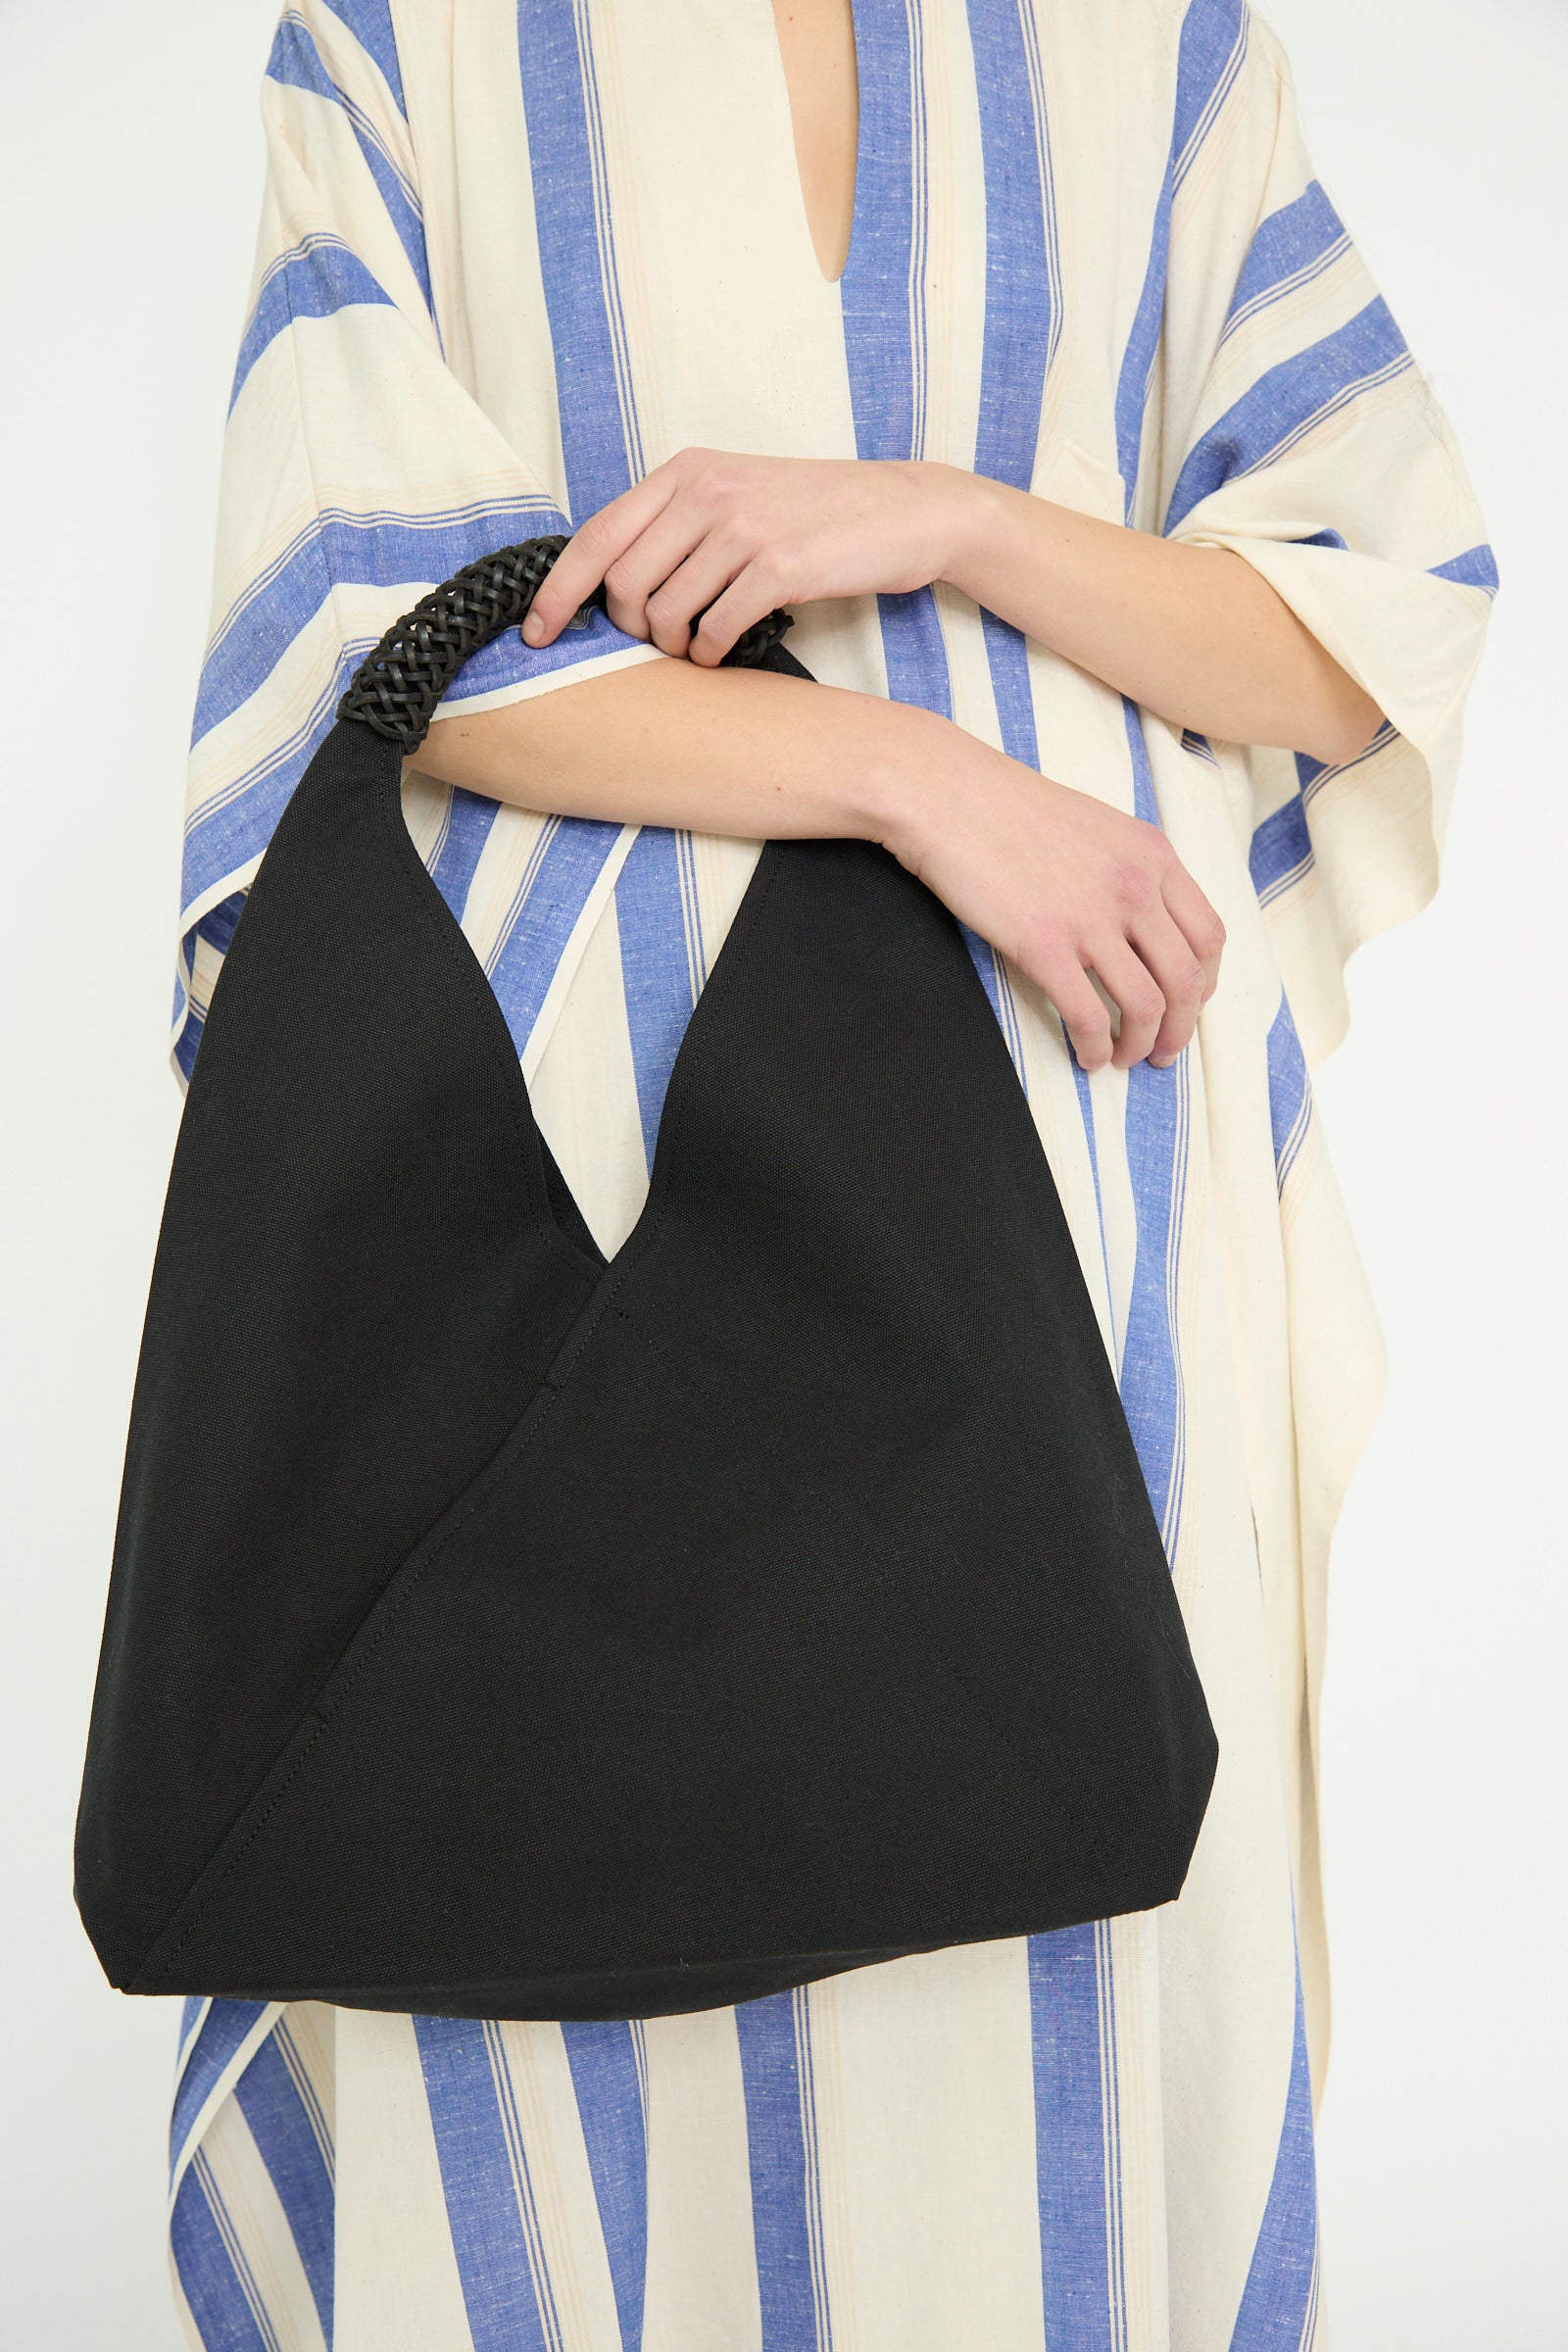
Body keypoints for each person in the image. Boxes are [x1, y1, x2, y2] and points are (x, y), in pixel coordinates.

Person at [163, 1, 1493, 2343]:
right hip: (592, 1195)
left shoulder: (1159, 46)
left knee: (1067, 1975)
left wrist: (950, 515)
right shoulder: (407, 36)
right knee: (556, 1962)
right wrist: (906, 769)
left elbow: (1359, 636)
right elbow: (368, 616)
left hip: (1101, 1192)